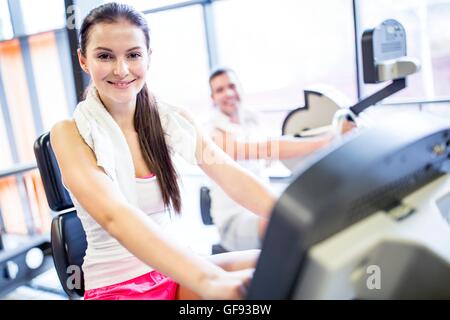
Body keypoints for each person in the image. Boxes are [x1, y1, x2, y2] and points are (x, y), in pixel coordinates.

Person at [50, 3, 276, 300]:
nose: (121, 70)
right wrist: (209, 282)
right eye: (105, 56)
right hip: (118, 286)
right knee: (244, 295)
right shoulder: (68, 133)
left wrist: (298, 218)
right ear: (83, 60)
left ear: (148, 57)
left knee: (282, 263)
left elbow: (227, 172)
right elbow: (115, 216)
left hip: (174, 269)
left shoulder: (171, 119)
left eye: (133, 55)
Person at [207, 68, 355, 251]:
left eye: (232, 86)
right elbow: (268, 148)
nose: (228, 93)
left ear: (240, 88)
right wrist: (327, 140)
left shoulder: (252, 122)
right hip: (234, 221)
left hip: (259, 207)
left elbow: (287, 143)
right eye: (220, 90)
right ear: (213, 98)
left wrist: (332, 133)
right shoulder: (214, 134)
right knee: (283, 223)